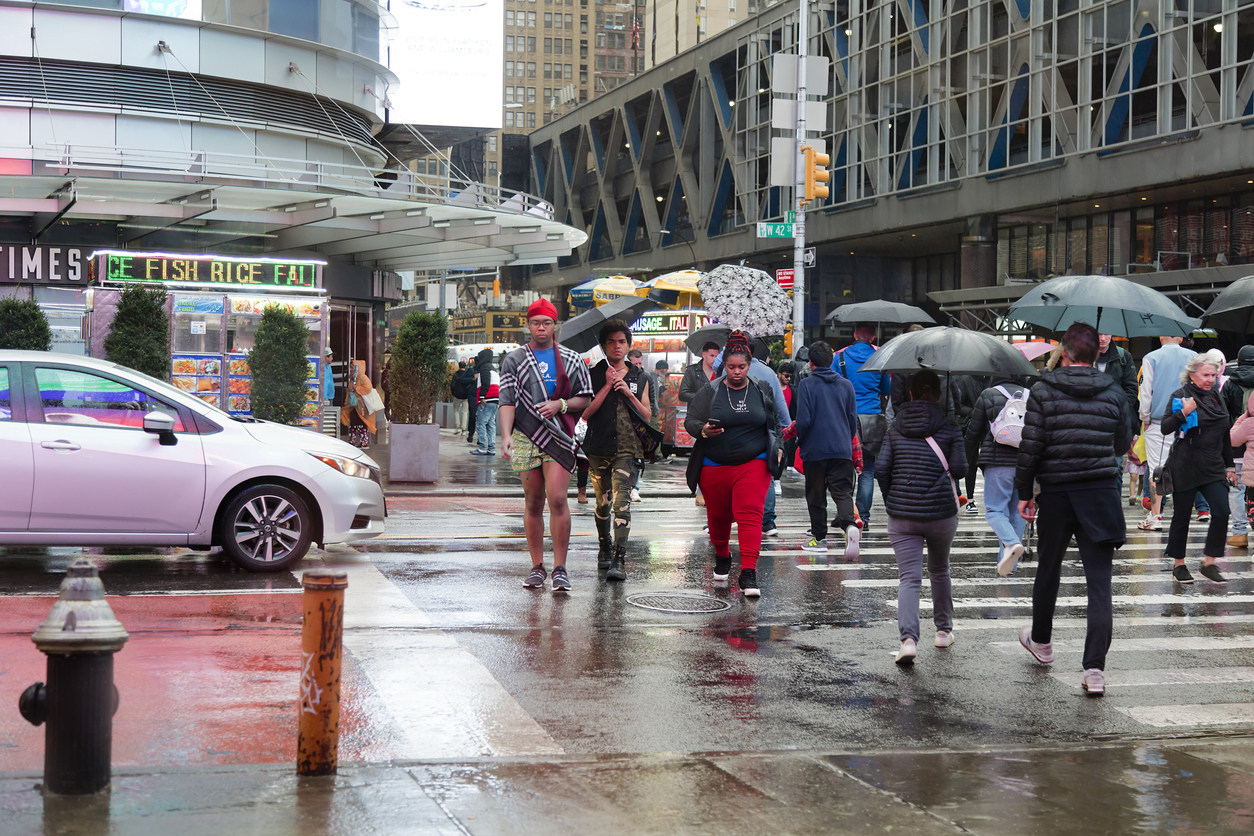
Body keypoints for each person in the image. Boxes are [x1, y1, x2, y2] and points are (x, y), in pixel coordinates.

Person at [1016, 323, 1129, 697]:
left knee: (1048, 569)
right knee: (1099, 583)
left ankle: (1043, 643)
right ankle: (1094, 670)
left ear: (1064, 352)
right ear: (1097, 355)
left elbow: (1031, 445)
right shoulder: (1114, 392)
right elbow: (1122, 440)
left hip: (1058, 492)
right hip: (1100, 492)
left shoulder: (1044, 390)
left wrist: (1024, 492)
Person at [499, 299, 593, 592]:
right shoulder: (514, 359)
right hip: (527, 436)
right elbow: (507, 401)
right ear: (528, 324)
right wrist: (506, 435)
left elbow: (585, 397)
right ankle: (537, 566)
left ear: (555, 326)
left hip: (560, 436)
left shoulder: (571, 358)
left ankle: (560, 568)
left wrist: (560, 404)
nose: (541, 328)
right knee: (533, 502)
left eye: (547, 323)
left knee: (557, 499)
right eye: (536, 322)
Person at [877, 371, 966, 664]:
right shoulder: (950, 425)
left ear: (910, 394)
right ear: (939, 395)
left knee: (909, 578)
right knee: (940, 570)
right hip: (941, 512)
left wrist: (893, 498)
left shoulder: (894, 427)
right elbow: (960, 469)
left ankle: (908, 640)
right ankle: (943, 632)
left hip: (902, 515)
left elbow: (881, 469)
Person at [685, 331, 781, 598]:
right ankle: (722, 555)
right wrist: (703, 429)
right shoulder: (710, 390)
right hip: (714, 464)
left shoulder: (762, 388)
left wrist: (780, 448)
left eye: (741, 367)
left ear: (749, 366)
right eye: (731, 367)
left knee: (750, 514)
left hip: (754, 462)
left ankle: (748, 572)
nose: (736, 372)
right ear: (723, 367)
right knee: (718, 519)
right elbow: (690, 421)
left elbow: (774, 425)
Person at [583, 319, 652, 581]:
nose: (616, 346)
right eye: (611, 342)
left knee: (622, 504)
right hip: (598, 447)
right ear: (603, 346)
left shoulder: (640, 377)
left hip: (628, 449)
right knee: (604, 504)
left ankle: (619, 559)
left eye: (621, 342)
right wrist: (606, 386)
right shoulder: (593, 374)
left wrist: (628, 393)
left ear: (628, 345)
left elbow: (647, 416)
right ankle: (604, 543)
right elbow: (586, 413)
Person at [1160, 354, 1235, 584]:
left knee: (1222, 511)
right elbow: (1164, 427)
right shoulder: (1180, 396)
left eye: (1213, 375)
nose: (1210, 379)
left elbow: (1225, 435)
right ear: (1192, 375)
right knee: (1182, 516)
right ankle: (1179, 565)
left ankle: (1209, 562)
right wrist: (1183, 412)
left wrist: (1230, 466)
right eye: (1205, 375)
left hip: (1213, 465)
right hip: (1186, 465)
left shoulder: (1216, 397)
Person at [795, 341, 860, 554]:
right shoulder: (846, 385)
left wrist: (801, 441)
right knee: (842, 492)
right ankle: (850, 526)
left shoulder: (806, 385)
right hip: (841, 448)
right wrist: (844, 439)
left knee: (816, 495)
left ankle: (819, 539)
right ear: (831, 361)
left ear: (810, 362)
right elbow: (852, 420)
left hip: (815, 448)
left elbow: (803, 420)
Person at [965, 376, 1030, 575]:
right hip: (1026, 464)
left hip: (997, 462)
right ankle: (1009, 565)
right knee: (1018, 513)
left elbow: (973, 433)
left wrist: (967, 460)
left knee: (995, 510)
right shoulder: (1032, 396)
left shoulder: (988, 394)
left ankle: (1010, 544)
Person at [833, 323, 891, 527]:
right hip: (872, 420)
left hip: (845, 418)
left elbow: (832, 387)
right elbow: (886, 388)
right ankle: (863, 517)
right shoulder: (880, 358)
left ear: (854, 334)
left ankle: (847, 513)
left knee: (844, 469)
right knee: (867, 470)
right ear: (873, 338)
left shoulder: (839, 358)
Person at [1138, 335, 1196, 530]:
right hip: (1189, 419)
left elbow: (1146, 392)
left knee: (1157, 470)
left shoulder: (1151, 357)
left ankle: (1156, 516)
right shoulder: (1194, 356)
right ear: (1180, 338)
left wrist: (1144, 417)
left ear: (1161, 337)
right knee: (1185, 468)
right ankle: (1183, 514)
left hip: (1159, 420)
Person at [1222, 345, 1254, 548]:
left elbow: (1223, 415)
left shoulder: (1229, 384)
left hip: (1236, 439)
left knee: (1236, 489)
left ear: (1238, 361)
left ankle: (1240, 532)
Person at [471, 349, 501, 456]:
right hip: (495, 400)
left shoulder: (484, 368)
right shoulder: (493, 369)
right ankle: (491, 448)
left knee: (481, 423)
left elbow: (485, 382)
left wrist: (482, 397)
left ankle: (482, 447)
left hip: (487, 399)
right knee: (491, 424)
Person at [340, 359, 376, 448]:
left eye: (352, 367)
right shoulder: (352, 379)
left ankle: (364, 442)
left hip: (361, 405)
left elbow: (368, 389)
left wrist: (357, 388)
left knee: (361, 423)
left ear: (357, 368)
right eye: (350, 367)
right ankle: (352, 441)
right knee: (352, 423)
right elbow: (349, 392)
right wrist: (346, 402)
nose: (350, 369)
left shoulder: (363, 378)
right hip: (353, 405)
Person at [451, 359, 475, 433]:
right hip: (466, 396)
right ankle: (464, 429)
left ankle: (457, 426)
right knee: (465, 412)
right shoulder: (467, 375)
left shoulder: (455, 375)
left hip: (457, 396)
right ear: (465, 366)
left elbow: (452, 385)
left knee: (456, 410)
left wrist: (454, 393)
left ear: (459, 366)